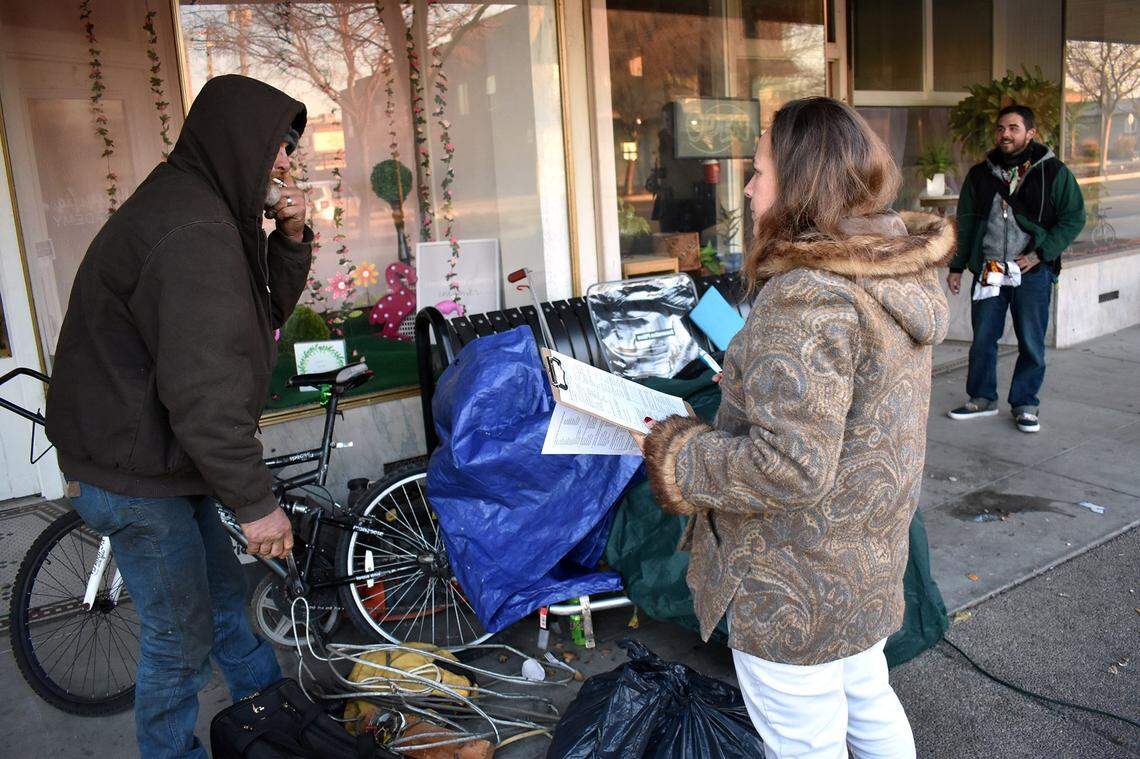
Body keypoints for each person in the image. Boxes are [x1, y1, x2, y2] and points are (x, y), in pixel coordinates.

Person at [636, 97, 953, 758]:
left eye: (759, 171)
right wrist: (757, 378)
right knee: (868, 702)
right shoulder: (884, 269)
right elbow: (856, 406)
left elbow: (789, 465)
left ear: (801, 181)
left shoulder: (806, 291)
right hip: (864, 559)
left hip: (795, 582)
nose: (749, 188)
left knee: (806, 741)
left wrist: (680, 456)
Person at [45, 75, 313, 758]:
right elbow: (205, 391)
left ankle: (274, 723)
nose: (287, 162)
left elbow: (259, 315)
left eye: (290, 148)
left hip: (158, 463)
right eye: (276, 147)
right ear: (236, 144)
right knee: (179, 639)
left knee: (224, 606)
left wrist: (289, 237)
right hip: (138, 475)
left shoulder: (203, 210)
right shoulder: (194, 230)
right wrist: (256, 505)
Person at [946, 104, 1085, 433]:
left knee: (1031, 342)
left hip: (1032, 272)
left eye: (1013, 128)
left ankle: (1025, 404)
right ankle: (981, 398)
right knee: (983, 338)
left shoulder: (1053, 172)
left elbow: (1074, 218)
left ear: (1030, 133)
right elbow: (965, 223)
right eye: (1000, 128)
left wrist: (1040, 255)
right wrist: (956, 266)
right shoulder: (981, 174)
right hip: (989, 270)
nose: (1005, 134)